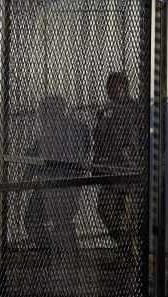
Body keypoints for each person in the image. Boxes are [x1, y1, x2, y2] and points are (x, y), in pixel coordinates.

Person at [25, 96, 89, 251]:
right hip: (53, 187)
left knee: (47, 220)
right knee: (35, 219)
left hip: (62, 188)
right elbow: (30, 164)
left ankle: (57, 248)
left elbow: (29, 168)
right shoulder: (75, 129)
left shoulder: (73, 130)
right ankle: (55, 247)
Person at [93, 72, 141, 257]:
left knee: (131, 214)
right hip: (111, 171)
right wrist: (98, 162)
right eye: (113, 87)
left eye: (121, 86)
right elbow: (100, 140)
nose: (118, 90)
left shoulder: (136, 108)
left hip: (131, 170)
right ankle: (124, 246)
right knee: (105, 209)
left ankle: (132, 253)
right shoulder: (106, 110)